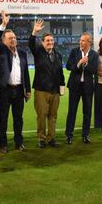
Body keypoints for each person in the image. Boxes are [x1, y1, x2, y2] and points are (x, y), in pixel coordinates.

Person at [0, 11, 31, 153]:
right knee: (3, 118)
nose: (13, 40)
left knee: (18, 119)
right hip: (4, 90)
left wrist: (27, 90)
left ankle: (18, 142)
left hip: (19, 90)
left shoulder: (22, 53)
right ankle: (3, 145)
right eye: (10, 38)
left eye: (14, 38)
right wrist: (3, 25)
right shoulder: (1, 50)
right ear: (4, 41)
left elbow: (25, 72)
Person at [29, 19, 65, 148]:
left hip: (55, 91)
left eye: (52, 40)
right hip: (41, 90)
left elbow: (60, 73)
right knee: (41, 115)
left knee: (53, 116)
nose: (50, 42)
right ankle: (41, 138)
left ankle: (51, 138)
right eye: (48, 41)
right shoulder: (38, 52)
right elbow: (31, 44)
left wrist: (62, 87)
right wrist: (34, 32)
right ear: (43, 43)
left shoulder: (58, 55)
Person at [65, 32, 99, 144]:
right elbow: (68, 66)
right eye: (80, 40)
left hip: (88, 87)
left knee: (87, 112)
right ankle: (69, 135)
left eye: (83, 40)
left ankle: (85, 135)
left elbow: (94, 70)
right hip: (75, 87)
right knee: (72, 111)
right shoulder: (74, 52)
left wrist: (87, 64)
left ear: (89, 42)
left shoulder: (94, 54)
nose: (80, 42)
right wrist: (79, 63)